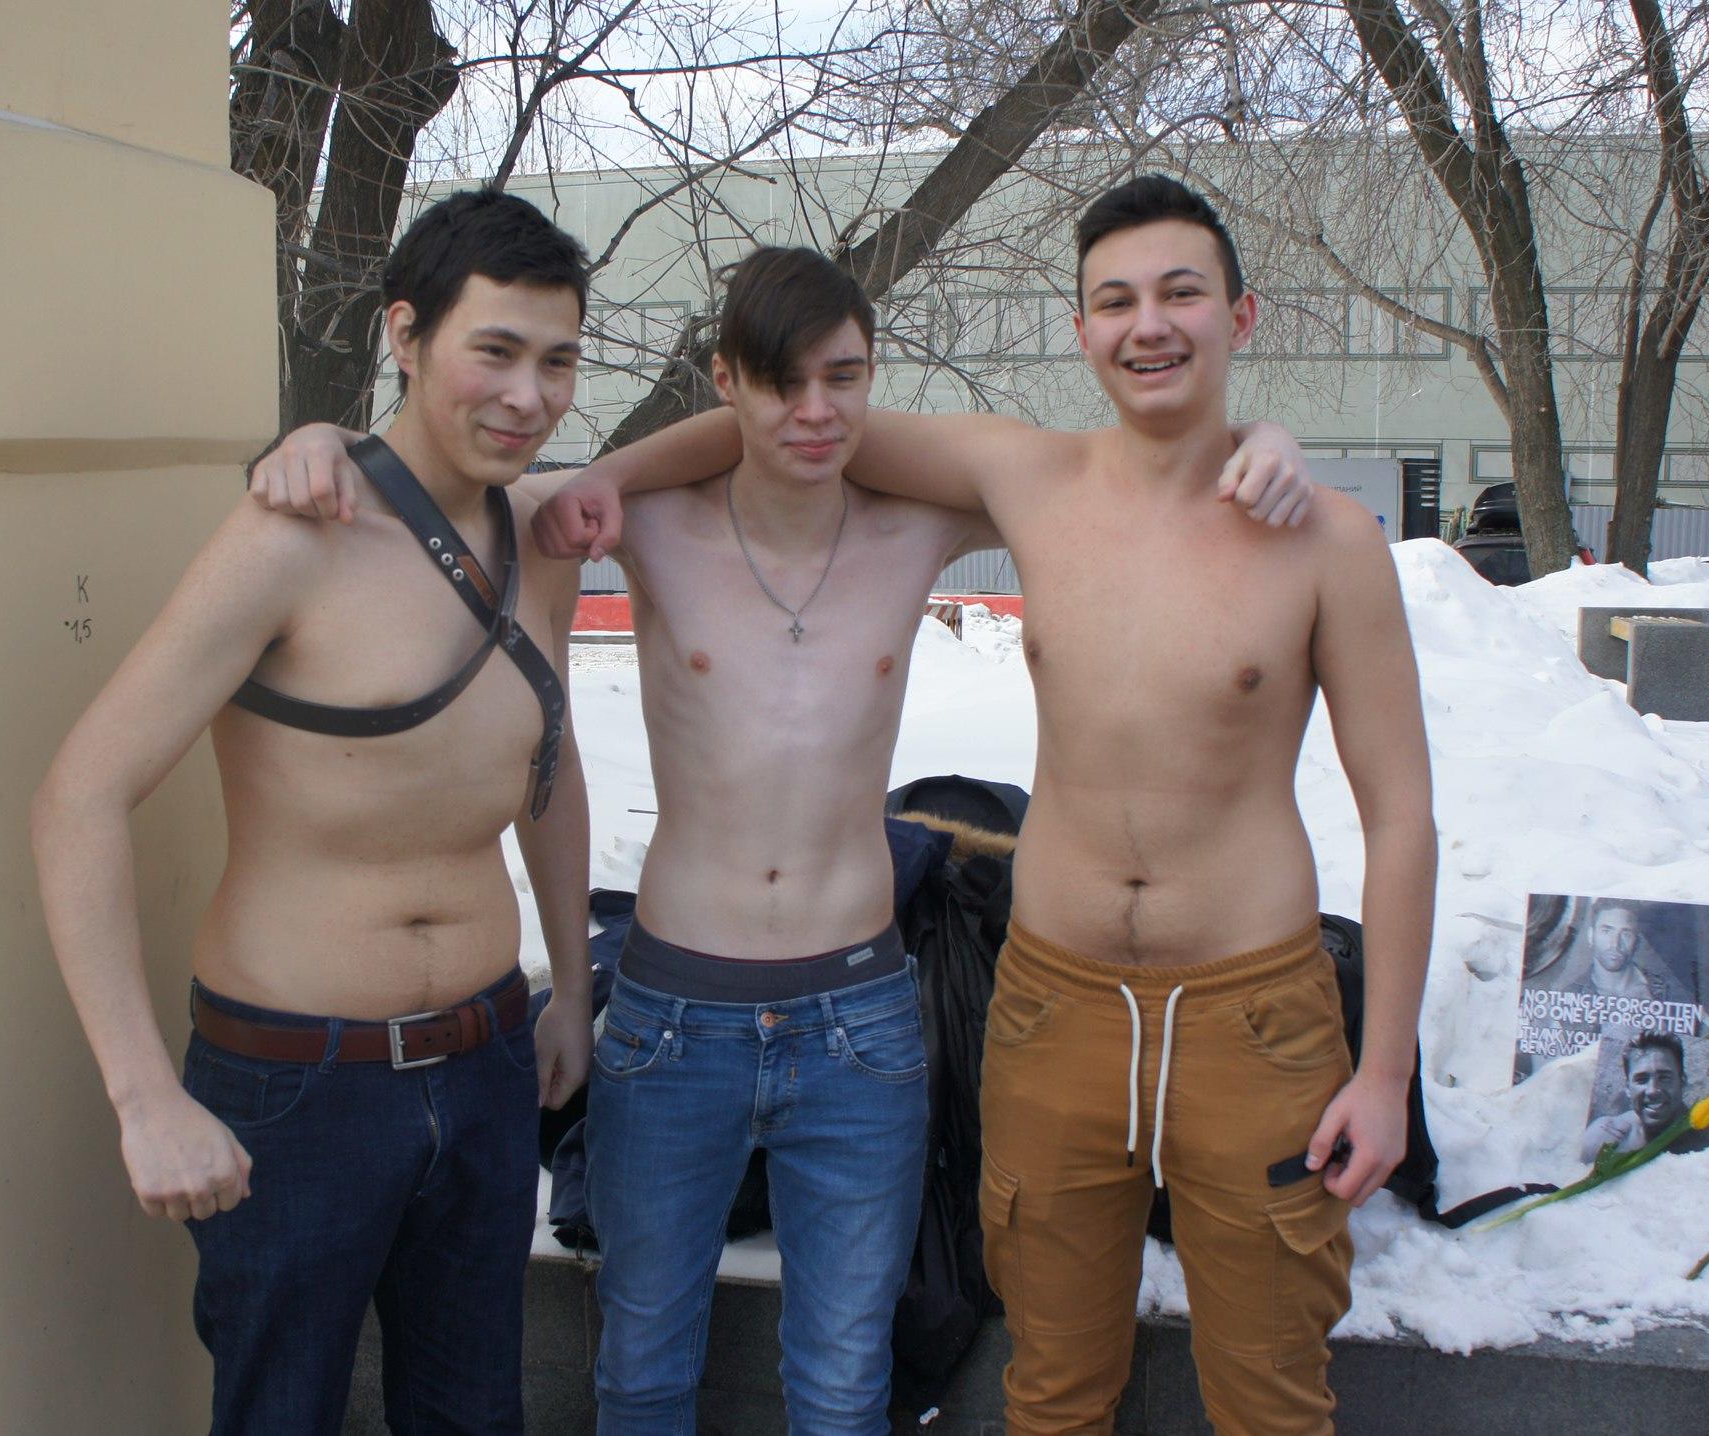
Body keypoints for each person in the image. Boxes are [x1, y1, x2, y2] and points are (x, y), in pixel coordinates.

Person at [244, 245, 1318, 1433]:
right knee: (641, 1368)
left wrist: (1258, 436)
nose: (815, 411)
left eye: (842, 378)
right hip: (672, 1015)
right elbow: (456, 493)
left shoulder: (918, 527)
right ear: (725, 382)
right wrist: (327, 445)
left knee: (844, 1381)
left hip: (859, 1020)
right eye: (779, 382)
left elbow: (1115, 475)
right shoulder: (648, 524)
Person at [529, 176, 1435, 1435]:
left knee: (1271, 1400)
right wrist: (604, 475)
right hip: (1052, 1005)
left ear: (1239, 315)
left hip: (1247, 1009)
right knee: (1047, 1390)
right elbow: (784, 424)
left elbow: (1403, 818)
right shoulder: (1027, 477)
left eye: (1180, 293)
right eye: (1115, 300)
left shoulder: (1321, 535)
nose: (1148, 323)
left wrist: (1385, 1068)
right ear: (1081, 329)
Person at [31, 189, 596, 1435]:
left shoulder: (538, 538)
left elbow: (546, 772)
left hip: (487, 1057)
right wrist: (142, 1097)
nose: (529, 394)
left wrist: (569, 986)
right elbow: (80, 795)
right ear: (407, 334)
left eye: (557, 361)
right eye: (495, 350)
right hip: (300, 1085)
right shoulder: (292, 537)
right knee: (280, 1411)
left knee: (474, 1413)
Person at [1578, 1035, 1709, 1163]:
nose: (1652, 1090)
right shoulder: (1605, 1136)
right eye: (1642, 1079)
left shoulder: (1707, 1146)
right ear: (1628, 1087)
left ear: (1682, 1081)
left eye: (1664, 1078)